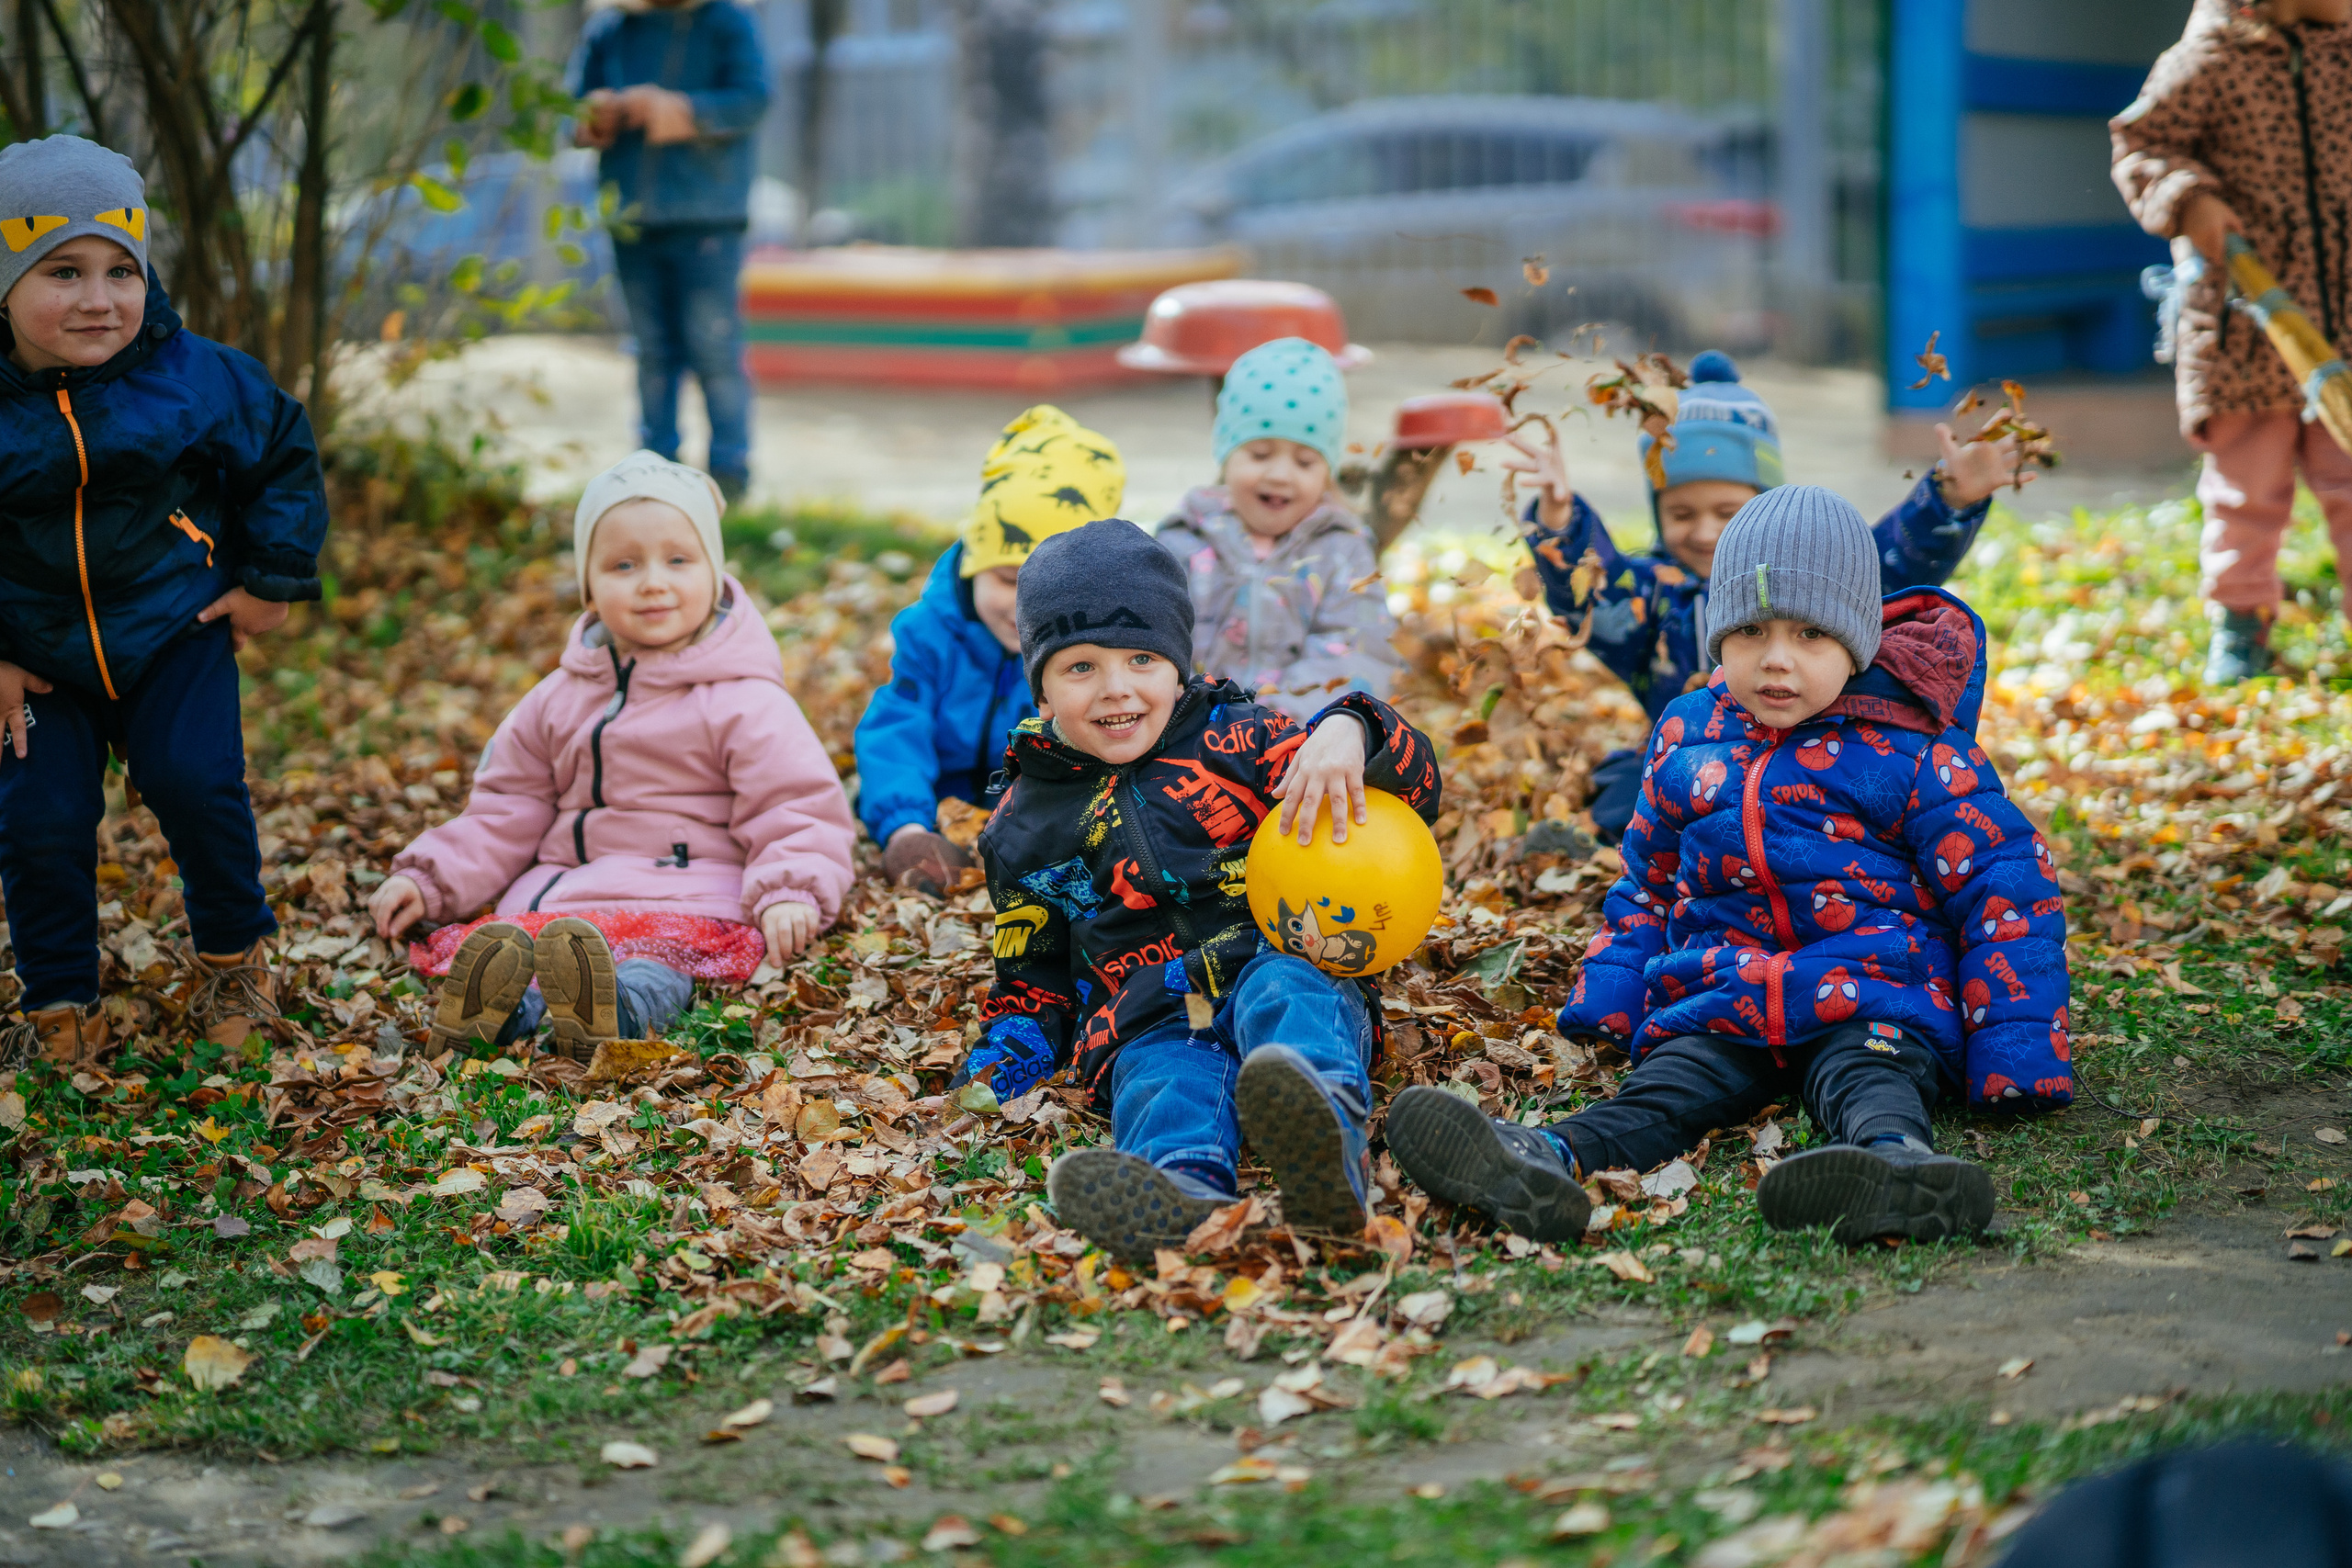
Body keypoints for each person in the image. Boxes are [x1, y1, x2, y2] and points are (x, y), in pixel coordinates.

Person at [1387, 487, 2072, 1246]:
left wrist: (2016, 1049)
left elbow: (2007, 891)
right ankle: (1542, 1157)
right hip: (1729, 989)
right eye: (1750, 630)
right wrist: (1612, 995)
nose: (1776, 658)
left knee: (1870, 1076)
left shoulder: (1918, 752)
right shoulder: (1688, 736)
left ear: (1859, 641)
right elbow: (1647, 882)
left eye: (1811, 633)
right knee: (1667, 1087)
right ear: (1719, 633)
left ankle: (1895, 1168)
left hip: (1874, 991)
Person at [955, 518, 1442, 1258]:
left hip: (1277, 957)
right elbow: (1034, 967)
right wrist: (1013, 1043)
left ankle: (1323, 1139)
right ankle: (1181, 1197)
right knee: (1162, 1079)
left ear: (1178, 664)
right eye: (1080, 667)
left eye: (1142, 658)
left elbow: (1415, 789)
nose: (1116, 689)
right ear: (1041, 686)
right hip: (1153, 1010)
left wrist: (1354, 725)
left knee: (1289, 993)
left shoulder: (1243, 740)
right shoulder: (1023, 827)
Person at [0, 136, 328, 1070]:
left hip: (171, 625)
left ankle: (231, 957)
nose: (98, 299)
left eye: (120, 269)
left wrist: (272, 578)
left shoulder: (189, 375)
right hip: (35, 652)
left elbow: (281, 455)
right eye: (61, 271)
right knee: (41, 819)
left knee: (195, 782)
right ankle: (58, 1000)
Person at [365, 451, 855, 1058]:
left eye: (679, 559)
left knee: (654, 966)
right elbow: (504, 806)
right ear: (589, 587)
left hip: (688, 899)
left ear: (715, 570)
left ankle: (616, 1013)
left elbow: (794, 803)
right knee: (542, 957)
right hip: (570, 903)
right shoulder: (557, 697)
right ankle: (504, 1008)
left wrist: (790, 888)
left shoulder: (745, 701)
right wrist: (434, 875)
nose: (653, 580)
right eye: (624, 564)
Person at [1507, 352, 2032, 842]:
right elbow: (1598, 603)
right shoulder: (1654, 595)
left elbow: (1886, 561)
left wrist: (1948, 499)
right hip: (1699, 759)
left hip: (1824, 751)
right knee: (1627, 801)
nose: (1705, 532)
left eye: (1727, 512)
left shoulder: (1807, 573)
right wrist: (1561, 523)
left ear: (1763, 507)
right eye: (1682, 514)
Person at [2111, 0, 2352, 682]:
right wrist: (2188, 199)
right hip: (2243, 323)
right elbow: (2141, 142)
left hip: (2346, 321)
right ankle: (2242, 625)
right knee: (2248, 489)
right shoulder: (2209, 59)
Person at [854, 405, 1125, 896]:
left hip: (1042, 823)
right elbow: (896, 731)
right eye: (1006, 579)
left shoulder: (1095, 650)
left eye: (1048, 590)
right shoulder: (932, 634)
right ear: (972, 564)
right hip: (940, 814)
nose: (1022, 607)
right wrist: (906, 827)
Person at [571, 0, 771, 504]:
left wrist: (672, 107)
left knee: (713, 347)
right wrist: (597, 112)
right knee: (651, 352)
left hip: (708, 215)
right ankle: (654, 475)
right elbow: (568, 112)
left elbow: (752, 100)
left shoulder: (728, 22)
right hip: (631, 217)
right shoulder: (612, 28)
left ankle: (730, 474)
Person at [1157, 336, 1399, 723]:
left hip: (1298, 742)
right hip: (1187, 736)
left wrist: (1275, 718)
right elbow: (1149, 640)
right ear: (1226, 456)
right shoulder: (1184, 539)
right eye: (1260, 455)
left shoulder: (1341, 549)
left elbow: (1359, 650)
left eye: (1305, 462)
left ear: (1327, 473)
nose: (1280, 474)